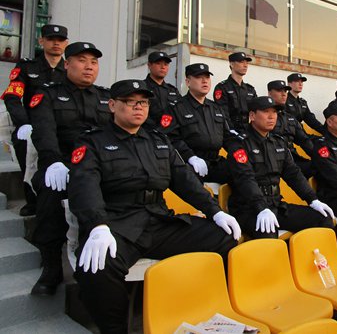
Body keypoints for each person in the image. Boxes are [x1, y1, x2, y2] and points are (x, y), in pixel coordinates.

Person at [69, 79, 240, 333]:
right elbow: (84, 187)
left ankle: (194, 309)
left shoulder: (158, 140)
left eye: (144, 102)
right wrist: (97, 225)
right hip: (118, 224)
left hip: (158, 220)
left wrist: (215, 211)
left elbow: (184, 180)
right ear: (112, 105)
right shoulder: (93, 142)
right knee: (97, 268)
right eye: (130, 101)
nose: (138, 107)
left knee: (223, 237)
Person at [28, 42, 112, 295]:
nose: (89, 66)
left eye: (94, 62)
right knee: (51, 191)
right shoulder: (48, 94)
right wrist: (52, 161)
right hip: (63, 162)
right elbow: (44, 131)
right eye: (82, 60)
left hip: (101, 162)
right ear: (67, 64)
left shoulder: (107, 97)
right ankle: (51, 265)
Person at [226, 96, 334, 239]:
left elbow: (293, 174)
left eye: (274, 112)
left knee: (323, 218)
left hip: (275, 205)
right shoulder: (239, 143)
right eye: (266, 112)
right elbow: (245, 179)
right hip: (249, 208)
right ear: (252, 116)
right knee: (268, 232)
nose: (272, 116)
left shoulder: (278, 142)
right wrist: (261, 207)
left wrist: (312, 199)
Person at [1, 24, 68, 216]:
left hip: (62, 124)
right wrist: (23, 123)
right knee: (24, 145)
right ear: (41, 41)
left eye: (60, 40)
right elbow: (12, 96)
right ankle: (31, 199)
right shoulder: (27, 67)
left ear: (66, 43)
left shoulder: (70, 68)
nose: (56, 43)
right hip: (32, 124)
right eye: (51, 39)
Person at [166, 63, 232, 184]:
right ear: (188, 82)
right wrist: (190, 157)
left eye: (207, 77)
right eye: (198, 77)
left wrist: (238, 152)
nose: (204, 81)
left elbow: (228, 137)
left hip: (215, 161)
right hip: (190, 163)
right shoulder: (176, 108)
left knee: (243, 174)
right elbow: (171, 138)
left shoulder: (216, 108)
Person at [268, 80, 315, 177]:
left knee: (322, 166)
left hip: (292, 157)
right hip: (274, 160)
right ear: (269, 93)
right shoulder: (264, 117)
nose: (284, 94)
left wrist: (319, 157)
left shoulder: (290, 118)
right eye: (279, 91)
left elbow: (304, 140)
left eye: (285, 91)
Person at [213, 51, 257, 132]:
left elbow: (256, 112)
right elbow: (223, 114)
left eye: (247, 62)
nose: (245, 65)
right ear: (232, 64)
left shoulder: (250, 89)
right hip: (230, 132)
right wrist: (232, 132)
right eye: (241, 62)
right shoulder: (222, 87)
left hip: (248, 131)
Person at [143, 51, 181, 129]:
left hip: (172, 133)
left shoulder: (173, 90)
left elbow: (181, 112)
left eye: (166, 64)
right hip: (149, 132)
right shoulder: (142, 88)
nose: (163, 67)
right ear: (149, 65)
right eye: (158, 63)